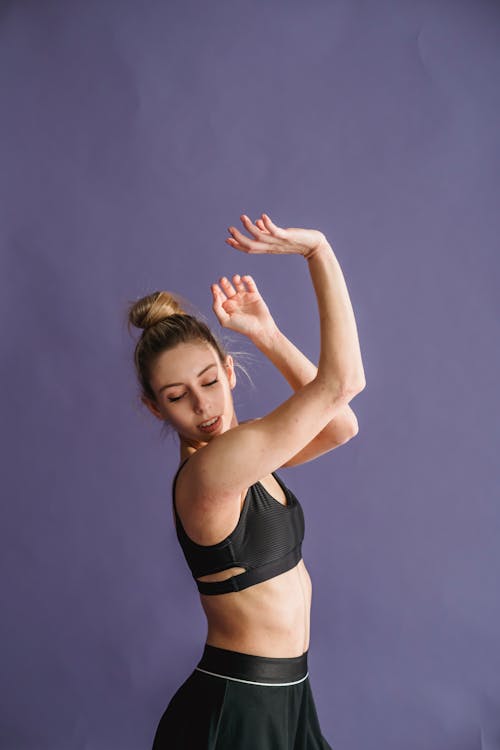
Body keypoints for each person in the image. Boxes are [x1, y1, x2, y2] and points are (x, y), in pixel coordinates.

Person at [127, 213, 366, 749]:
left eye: (210, 380)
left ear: (230, 370)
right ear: (155, 407)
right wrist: (318, 251)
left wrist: (268, 334)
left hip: (289, 696)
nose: (202, 404)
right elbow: (345, 380)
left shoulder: (246, 452)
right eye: (175, 396)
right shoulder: (211, 470)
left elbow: (341, 424)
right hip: (239, 706)